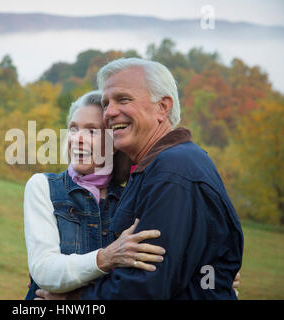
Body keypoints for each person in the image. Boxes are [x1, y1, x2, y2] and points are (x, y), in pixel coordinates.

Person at [36, 58, 244, 300]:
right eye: (106, 103)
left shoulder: (172, 172)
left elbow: (146, 288)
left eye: (123, 99)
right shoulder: (159, 167)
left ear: (163, 107)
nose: (110, 112)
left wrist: (74, 300)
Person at [24, 91, 167, 299]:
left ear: (114, 143)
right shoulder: (43, 186)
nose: (78, 139)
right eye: (74, 129)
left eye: (92, 131)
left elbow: (152, 271)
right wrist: (107, 257)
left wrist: (208, 269)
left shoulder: (130, 197)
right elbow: (45, 271)